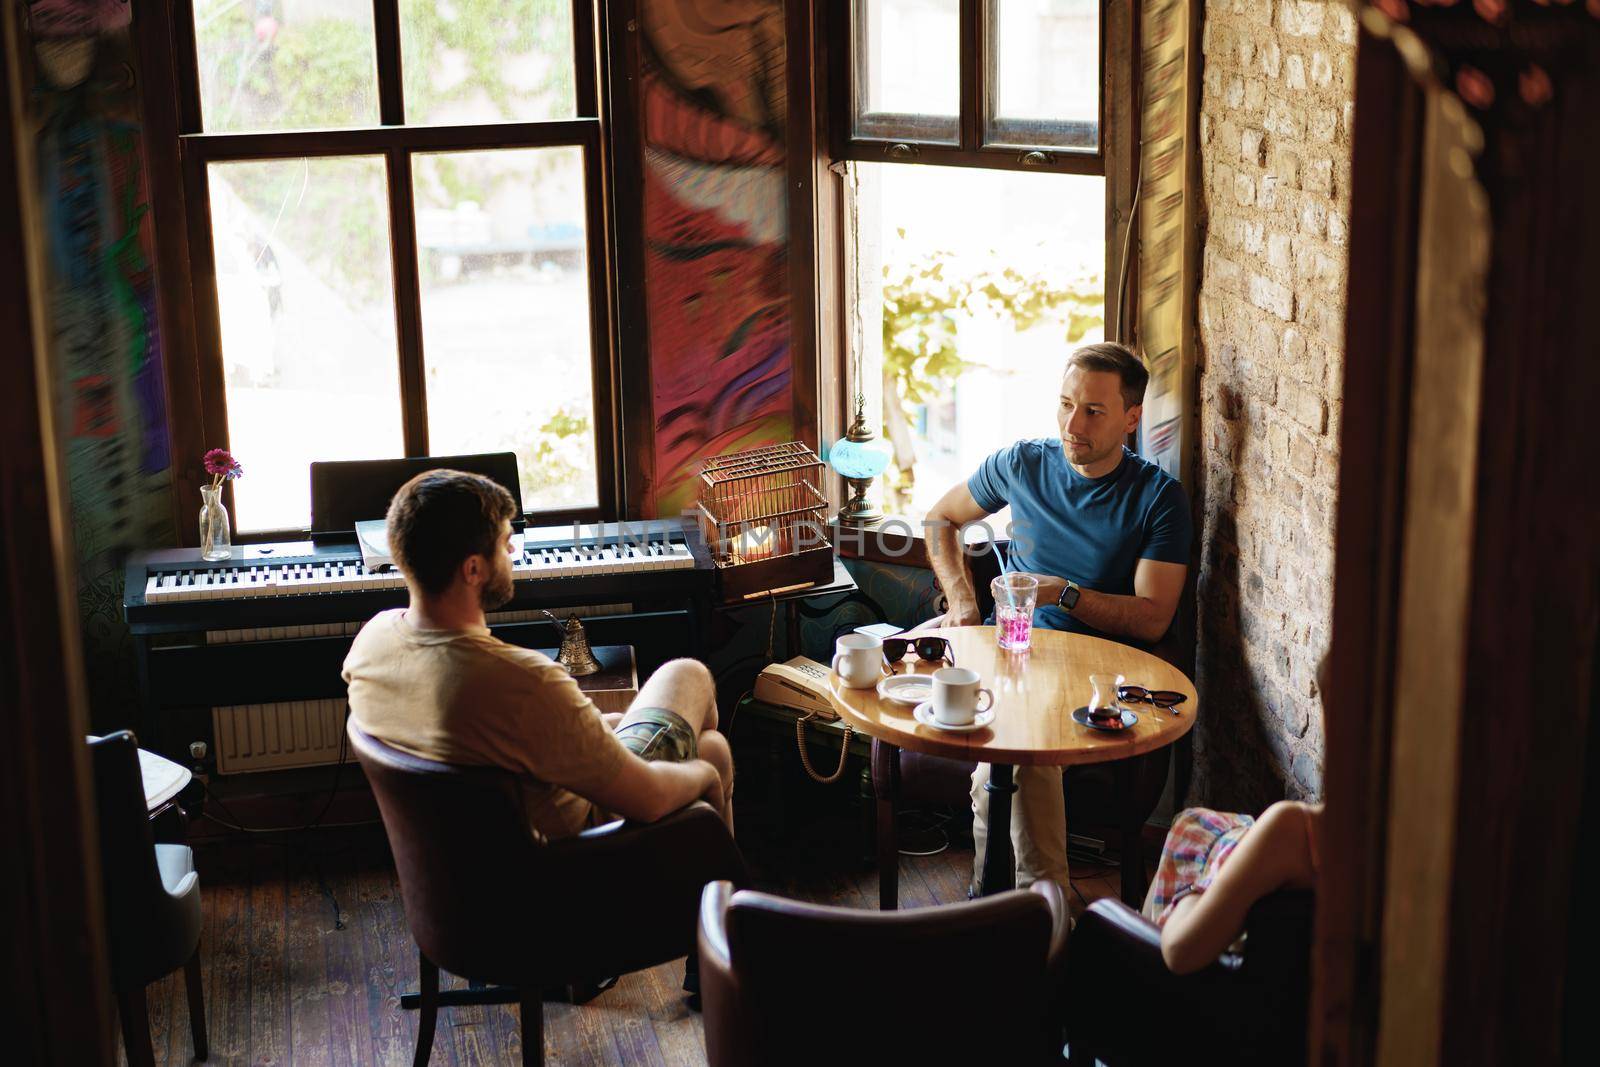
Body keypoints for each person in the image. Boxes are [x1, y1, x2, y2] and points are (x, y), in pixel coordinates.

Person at [919, 342, 1192, 894]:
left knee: (1019, 758)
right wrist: (963, 604)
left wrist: (1063, 594)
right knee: (985, 743)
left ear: (1131, 418)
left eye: (1093, 410)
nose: (1073, 423)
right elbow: (940, 519)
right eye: (1065, 403)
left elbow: (1153, 621)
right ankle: (1025, 909)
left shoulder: (1158, 499)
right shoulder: (1022, 462)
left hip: (1096, 674)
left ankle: (1031, 909)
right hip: (1008, 656)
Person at [342, 469, 734, 842]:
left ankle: (711, 898)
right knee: (695, 696)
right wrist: (704, 774)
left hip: (481, 859)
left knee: (679, 732)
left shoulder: (373, 639)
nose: (513, 549)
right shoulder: (520, 681)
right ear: (474, 569)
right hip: (585, 851)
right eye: (504, 541)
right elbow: (648, 800)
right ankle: (716, 901)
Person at [1144, 800, 1323, 974]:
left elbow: (1177, 951)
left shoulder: (1294, 830)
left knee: (1188, 827)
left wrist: (1193, 889)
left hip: (1195, 950)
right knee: (1191, 823)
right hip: (1226, 842)